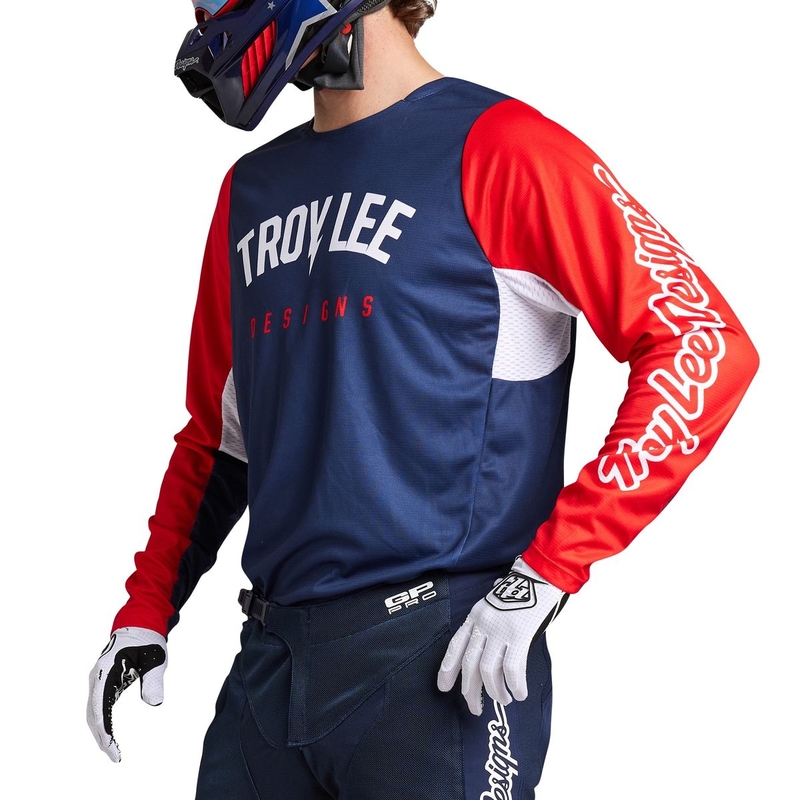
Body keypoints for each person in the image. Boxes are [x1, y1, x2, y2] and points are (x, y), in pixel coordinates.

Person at [86, 1, 760, 797]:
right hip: (269, 664)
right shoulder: (250, 192)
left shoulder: (503, 149)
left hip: (441, 661)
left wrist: (550, 569)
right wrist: (147, 608)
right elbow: (219, 439)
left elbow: (702, 344)